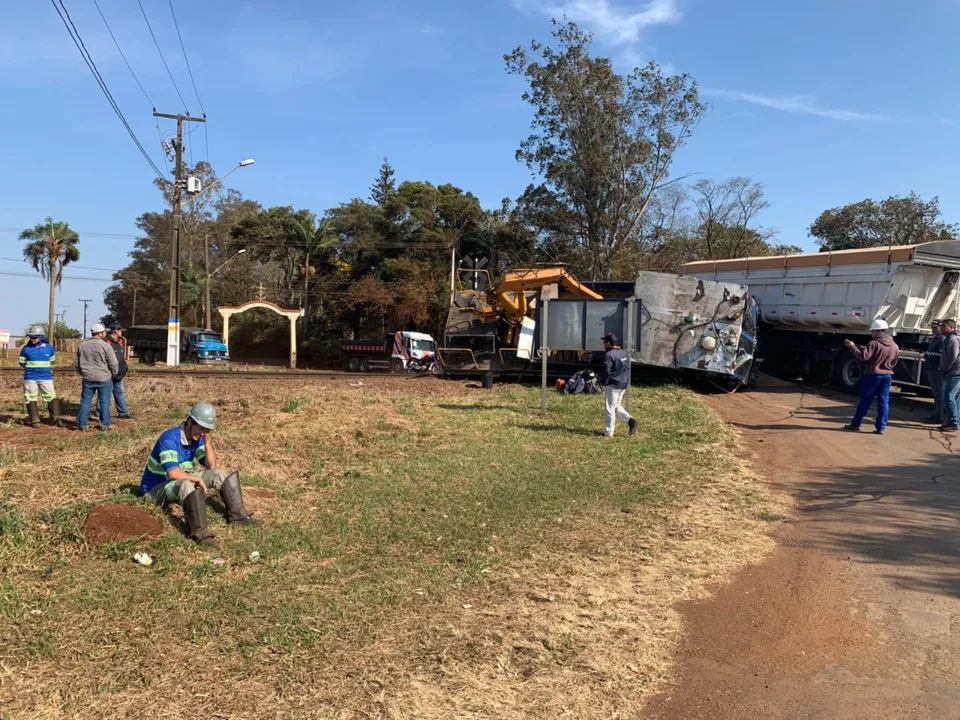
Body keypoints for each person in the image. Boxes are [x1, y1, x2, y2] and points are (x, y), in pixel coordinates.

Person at [140, 402, 263, 547]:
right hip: (155, 489)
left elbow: (211, 466)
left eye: (207, 430)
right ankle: (199, 533)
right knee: (185, 483)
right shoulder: (169, 438)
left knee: (218, 474)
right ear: (190, 421)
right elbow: (173, 473)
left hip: (178, 482)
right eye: (201, 428)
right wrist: (195, 479)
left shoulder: (197, 438)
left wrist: (208, 443)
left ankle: (238, 517)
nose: (203, 433)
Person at [844, 319, 901, 434]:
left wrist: (852, 347)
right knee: (884, 402)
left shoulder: (873, 343)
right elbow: (895, 361)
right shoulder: (894, 345)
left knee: (865, 400)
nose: (871, 333)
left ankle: (856, 424)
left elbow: (863, 357)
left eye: (873, 331)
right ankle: (881, 428)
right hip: (887, 376)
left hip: (873, 376)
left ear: (878, 331)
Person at [75, 323, 118, 432]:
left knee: (85, 401)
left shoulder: (83, 345)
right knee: (104, 402)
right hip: (104, 378)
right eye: (104, 332)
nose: (105, 333)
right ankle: (105, 424)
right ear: (100, 333)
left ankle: (82, 424)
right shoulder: (106, 346)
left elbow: (77, 364)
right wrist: (113, 374)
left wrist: (83, 373)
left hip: (87, 378)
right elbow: (113, 363)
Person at [19, 326, 62, 428]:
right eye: (31, 337)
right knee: (30, 397)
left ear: (41, 337)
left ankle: (55, 419)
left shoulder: (49, 348)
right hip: (30, 377)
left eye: (35, 337)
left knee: (51, 396)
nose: (32, 339)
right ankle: (35, 421)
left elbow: (52, 360)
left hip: (46, 377)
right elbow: (22, 363)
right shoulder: (25, 349)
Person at [600, 332, 637, 437]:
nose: (603, 344)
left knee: (610, 408)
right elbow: (627, 368)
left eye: (604, 342)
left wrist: (604, 381)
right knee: (616, 406)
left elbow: (606, 371)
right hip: (623, 383)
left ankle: (608, 432)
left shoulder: (609, 355)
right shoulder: (623, 353)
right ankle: (630, 421)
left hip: (613, 384)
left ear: (608, 343)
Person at [104, 324, 133, 419]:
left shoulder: (119, 342)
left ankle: (123, 413)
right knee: (105, 394)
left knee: (119, 392)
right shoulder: (106, 342)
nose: (121, 332)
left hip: (119, 373)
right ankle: (101, 413)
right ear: (115, 331)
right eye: (120, 330)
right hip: (109, 373)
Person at [939, 318, 960, 432]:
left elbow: (952, 356)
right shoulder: (954, 338)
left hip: (953, 372)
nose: (941, 328)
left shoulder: (952, 339)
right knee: (956, 397)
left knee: (948, 396)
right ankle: (956, 420)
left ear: (951, 327)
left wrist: (944, 369)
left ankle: (953, 422)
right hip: (956, 371)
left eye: (944, 326)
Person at [923, 320, 945, 424]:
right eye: (932, 327)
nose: (933, 330)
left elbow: (941, 355)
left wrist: (927, 354)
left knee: (938, 393)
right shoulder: (935, 339)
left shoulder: (942, 339)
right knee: (936, 393)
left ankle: (938, 415)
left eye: (935, 328)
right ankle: (937, 413)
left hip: (936, 370)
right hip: (931, 369)